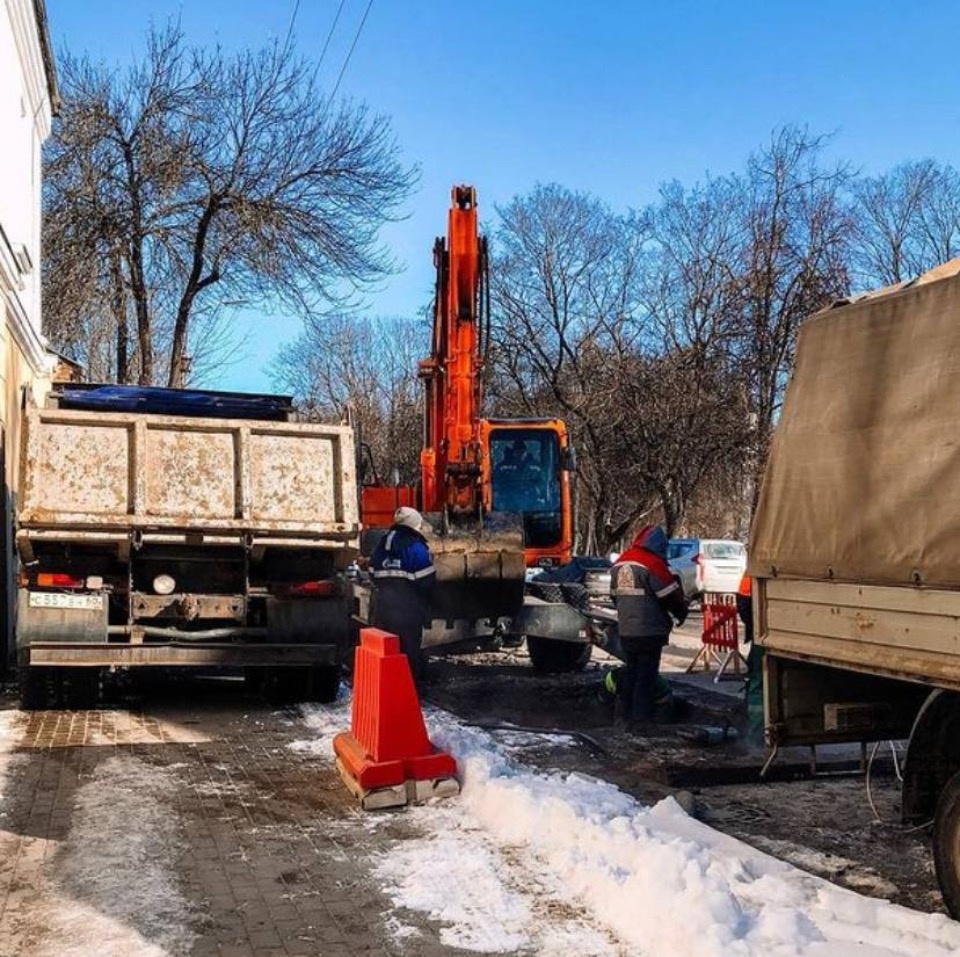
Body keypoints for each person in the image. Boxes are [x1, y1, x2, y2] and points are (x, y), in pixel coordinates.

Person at [610, 525, 688, 725]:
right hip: (650, 631)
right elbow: (671, 596)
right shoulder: (652, 563)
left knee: (631, 673)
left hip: (627, 630)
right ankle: (641, 721)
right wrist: (681, 614)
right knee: (646, 677)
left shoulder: (621, 562)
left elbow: (614, 597)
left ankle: (623, 716)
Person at [369, 506, 436, 683]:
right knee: (408, 651)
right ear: (415, 524)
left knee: (387, 649)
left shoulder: (383, 542)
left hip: (384, 608)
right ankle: (407, 687)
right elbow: (427, 579)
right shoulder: (415, 546)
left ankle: (385, 683)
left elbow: (372, 571)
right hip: (409, 611)